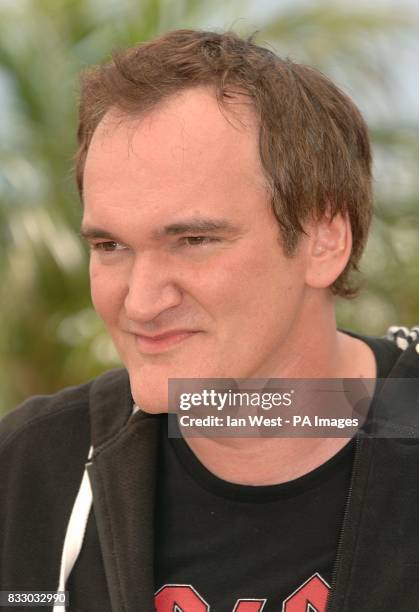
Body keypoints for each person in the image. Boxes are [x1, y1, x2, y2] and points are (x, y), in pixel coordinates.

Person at [0, 28, 418, 612]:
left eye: (194, 239)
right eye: (110, 246)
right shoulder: (34, 469)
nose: (141, 302)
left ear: (326, 239)